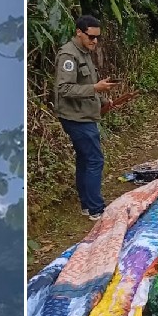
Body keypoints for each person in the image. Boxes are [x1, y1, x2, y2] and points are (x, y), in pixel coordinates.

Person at [54, 15, 118, 220]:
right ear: (79, 32)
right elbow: (64, 89)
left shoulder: (84, 52)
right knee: (95, 160)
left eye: (97, 38)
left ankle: (86, 205)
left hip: (85, 113)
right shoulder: (68, 56)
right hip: (76, 118)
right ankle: (96, 209)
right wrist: (95, 88)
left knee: (84, 159)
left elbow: (86, 84)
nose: (95, 41)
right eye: (91, 37)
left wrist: (101, 99)